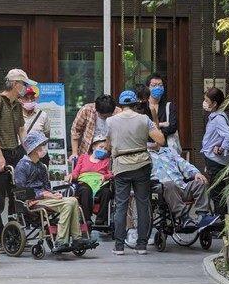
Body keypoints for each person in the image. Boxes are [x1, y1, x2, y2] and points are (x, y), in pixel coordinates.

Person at [14, 131, 96, 253]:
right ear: (34, 148)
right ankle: (61, 240)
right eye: (42, 145)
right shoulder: (22, 166)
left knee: (73, 200)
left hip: (46, 199)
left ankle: (77, 238)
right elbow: (21, 191)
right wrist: (42, 194)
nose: (44, 148)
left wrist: (52, 193)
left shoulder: (41, 166)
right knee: (68, 204)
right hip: (32, 201)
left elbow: (47, 187)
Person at [106, 90, 165, 255]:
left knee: (121, 205)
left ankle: (119, 246)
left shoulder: (111, 121)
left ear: (121, 105)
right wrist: (154, 120)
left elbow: (108, 146)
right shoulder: (144, 119)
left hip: (121, 167)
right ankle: (141, 245)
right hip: (142, 165)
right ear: (135, 104)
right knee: (143, 204)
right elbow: (160, 140)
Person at [0, 69, 33, 241]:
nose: (26, 88)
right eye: (24, 84)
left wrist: (28, 150)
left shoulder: (17, 104)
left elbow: (21, 129)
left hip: (15, 152)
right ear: (14, 84)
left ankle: (13, 233)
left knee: (17, 193)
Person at [151, 147, 221, 231]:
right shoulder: (145, 154)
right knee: (169, 184)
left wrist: (196, 173)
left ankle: (202, 216)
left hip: (181, 186)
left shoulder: (169, 151)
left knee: (200, 182)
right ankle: (185, 218)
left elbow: (184, 164)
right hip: (161, 191)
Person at [200, 87, 229, 218]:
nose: (204, 102)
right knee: (217, 191)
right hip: (213, 160)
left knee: (216, 192)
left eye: (206, 100)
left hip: (216, 161)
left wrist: (221, 148)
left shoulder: (219, 118)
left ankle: (220, 222)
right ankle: (220, 220)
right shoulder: (216, 116)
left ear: (214, 104)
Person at [69, 135, 113, 228]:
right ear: (93, 147)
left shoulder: (107, 160)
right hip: (84, 181)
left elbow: (111, 173)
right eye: (101, 147)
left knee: (107, 192)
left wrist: (105, 176)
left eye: (105, 149)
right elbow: (76, 172)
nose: (103, 150)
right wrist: (71, 176)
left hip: (100, 183)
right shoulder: (83, 157)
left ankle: (100, 219)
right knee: (85, 190)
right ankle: (87, 219)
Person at [69, 94, 120, 161]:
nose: (105, 118)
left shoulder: (118, 113)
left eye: (108, 116)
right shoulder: (86, 110)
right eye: (102, 116)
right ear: (96, 110)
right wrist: (74, 153)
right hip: (88, 150)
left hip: (110, 152)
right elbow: (75, 131)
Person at [145, 73, 179, 150]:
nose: (158, 88)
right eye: (154, 85)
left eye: (160, 85)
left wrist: (159, 134)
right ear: (147, 88)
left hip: (166, 149)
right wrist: (162, 124)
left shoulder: (169, 106)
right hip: (146, 148)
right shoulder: (143, 107)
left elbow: (172, 126)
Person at [21, 86, 50, 166]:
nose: (30, 101)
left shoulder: (43, 115)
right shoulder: (16, 115)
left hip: (39, 155)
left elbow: (47, 134)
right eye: (26, 98)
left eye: (32, 98)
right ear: (20, 100)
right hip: (22, 155)